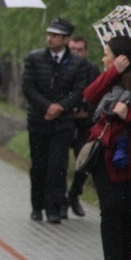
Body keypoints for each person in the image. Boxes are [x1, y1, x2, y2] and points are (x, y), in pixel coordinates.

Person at [83, 36, 131, 260]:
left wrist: (129, 114)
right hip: (107, 155)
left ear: (123, 56)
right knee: (110, 210)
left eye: (107, 54)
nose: (103, 58)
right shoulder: (110, 77)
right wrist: (113, 71)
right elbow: (90, 95)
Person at [22, 18, 88, 224]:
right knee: (39, 163)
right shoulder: (35, 58)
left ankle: (54, 207)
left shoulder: (78, 63)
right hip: (39, 119)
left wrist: (60, 107)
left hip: (63, 122)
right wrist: (47, 106)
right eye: (49, 34)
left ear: (65, 39)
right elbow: (28, 87)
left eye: (55, 35)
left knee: (58, 164)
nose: (50, 38)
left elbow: (79, 90)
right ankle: (37, 205)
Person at [66, 35, 101, 216]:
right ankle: (58, 199)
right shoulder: (64, 66)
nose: (76, 53)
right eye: (73, 49)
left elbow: (98, 93)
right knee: (58, 161)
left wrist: (87, 110)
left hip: (85, 122)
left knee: (85, 159)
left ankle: (74, 193)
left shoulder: (92, 69)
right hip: (65, 120)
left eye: (80, 50)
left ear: (86, 52)